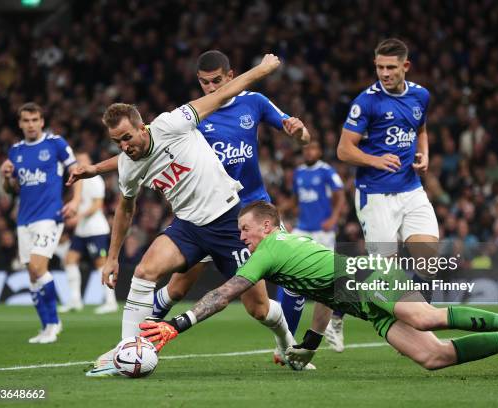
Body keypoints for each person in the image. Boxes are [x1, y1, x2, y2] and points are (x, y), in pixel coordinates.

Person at [71, 50, 317, 368]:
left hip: (233, 217)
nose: (124, 147)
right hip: (189, 225)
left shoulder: (176, 123)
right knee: (145, 273)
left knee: (259, 308)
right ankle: (125, 351)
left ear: (143, 127)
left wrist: (263, 69)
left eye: (127, 138)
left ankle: (287, 343)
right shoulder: (128, 164)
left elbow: (229, 93)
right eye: (117, 142)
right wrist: (113, 256)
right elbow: (125, 208)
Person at [140, 201, 498, 378]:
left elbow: (226, 292)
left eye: (245, 231)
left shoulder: (268, 249)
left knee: (423, 315)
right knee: (434, 356)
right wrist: (309, 343)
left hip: (368, 275)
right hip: (355, 296)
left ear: (266, 227)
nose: (242, 239)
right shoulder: (287, 247)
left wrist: (178, 323)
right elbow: (326, 290)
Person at [337, 38, 439, 296]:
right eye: (380, 67)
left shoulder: (421, 95)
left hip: (411, 189)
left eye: (391, 67)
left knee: (429, 263)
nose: (384, 73)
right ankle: (340, 310)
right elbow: (344, 149)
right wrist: (375, 160)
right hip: (375, 194)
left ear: (406, 65)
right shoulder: (366, 102)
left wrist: (424, 154)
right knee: (388, 274)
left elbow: (422, 129)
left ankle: (419, 321)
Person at [1, 102, 81, 344]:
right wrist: (6, 177)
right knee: (33, 276)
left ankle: (55, 322)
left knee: (38, 268)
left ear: (42, 121)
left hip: (50, 216)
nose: (31, 125)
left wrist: (76, 201)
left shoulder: (56, 144)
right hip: (24, 220)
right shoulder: (15, 151)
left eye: (35, 119)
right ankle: (46, 326)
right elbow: (11, 190)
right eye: (26, 120)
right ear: (20, 123)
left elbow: (77, 172)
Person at [291, 140, 347, 352]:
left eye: (313, 148)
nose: (309, 152)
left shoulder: (326, 171)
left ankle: (334, 319)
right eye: (306, 149)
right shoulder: (298, 172)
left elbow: (340, 195)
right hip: (302, 228)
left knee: (332, 274)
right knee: (287, 263)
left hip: (322, 230)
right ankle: (288, 306)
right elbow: (297, 199)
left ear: (319, 151)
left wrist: (334, 218)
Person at [59, 152, 117, 314]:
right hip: (82, 230)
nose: (80, 163)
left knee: (101, 264)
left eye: (83, 160)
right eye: (78, 160)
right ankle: (75, 300)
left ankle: (110, 301)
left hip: (95, 229)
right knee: (70, 260)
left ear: (90, 162)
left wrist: (78, 217)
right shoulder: (78, 181)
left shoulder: (95, 180)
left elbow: (97, 205)